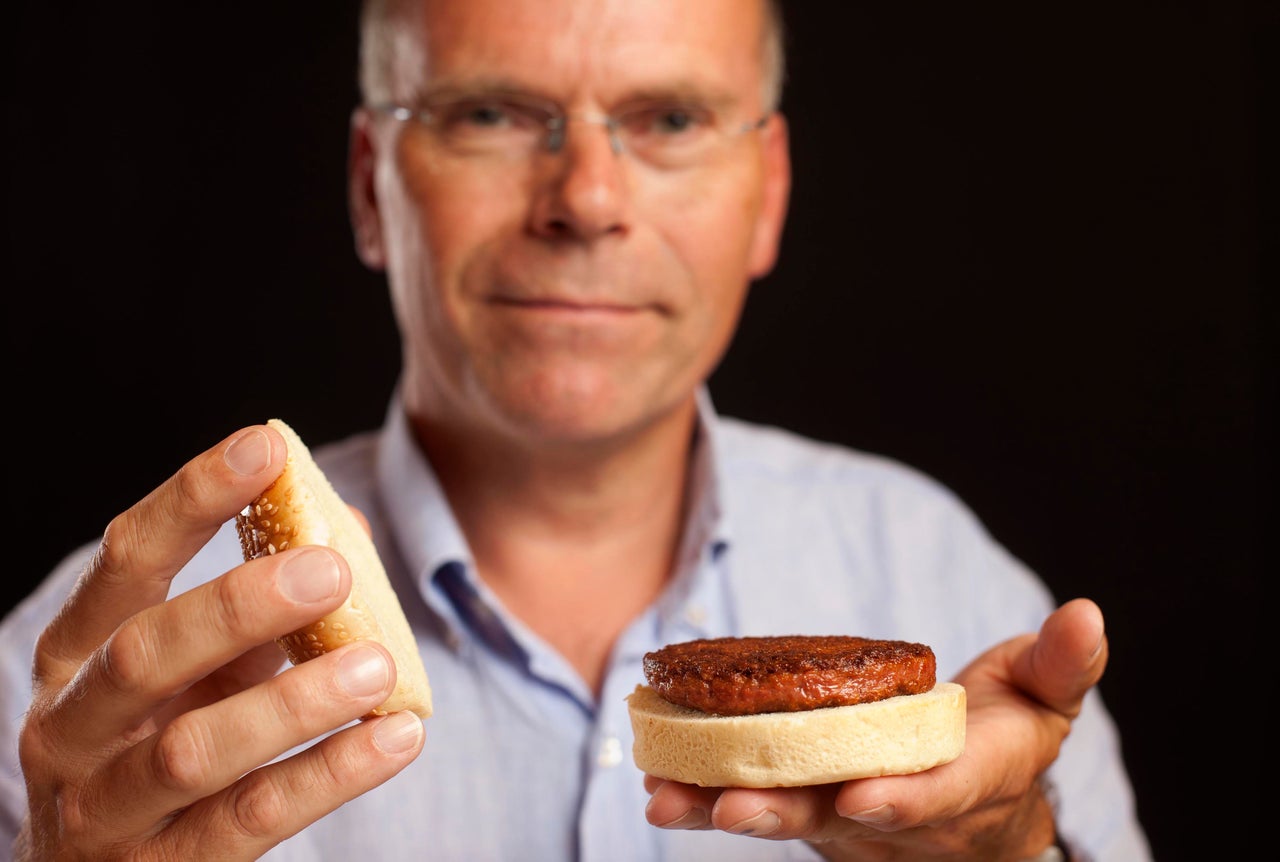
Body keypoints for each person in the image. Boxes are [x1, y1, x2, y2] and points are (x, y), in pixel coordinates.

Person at [1, 1, 1152, 859]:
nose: (586, 199)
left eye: (668, 118)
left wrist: (1014, 851)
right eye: (493, 113)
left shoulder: (947, 581)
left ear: (769, 190)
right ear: (369, 185)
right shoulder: (88, 700)